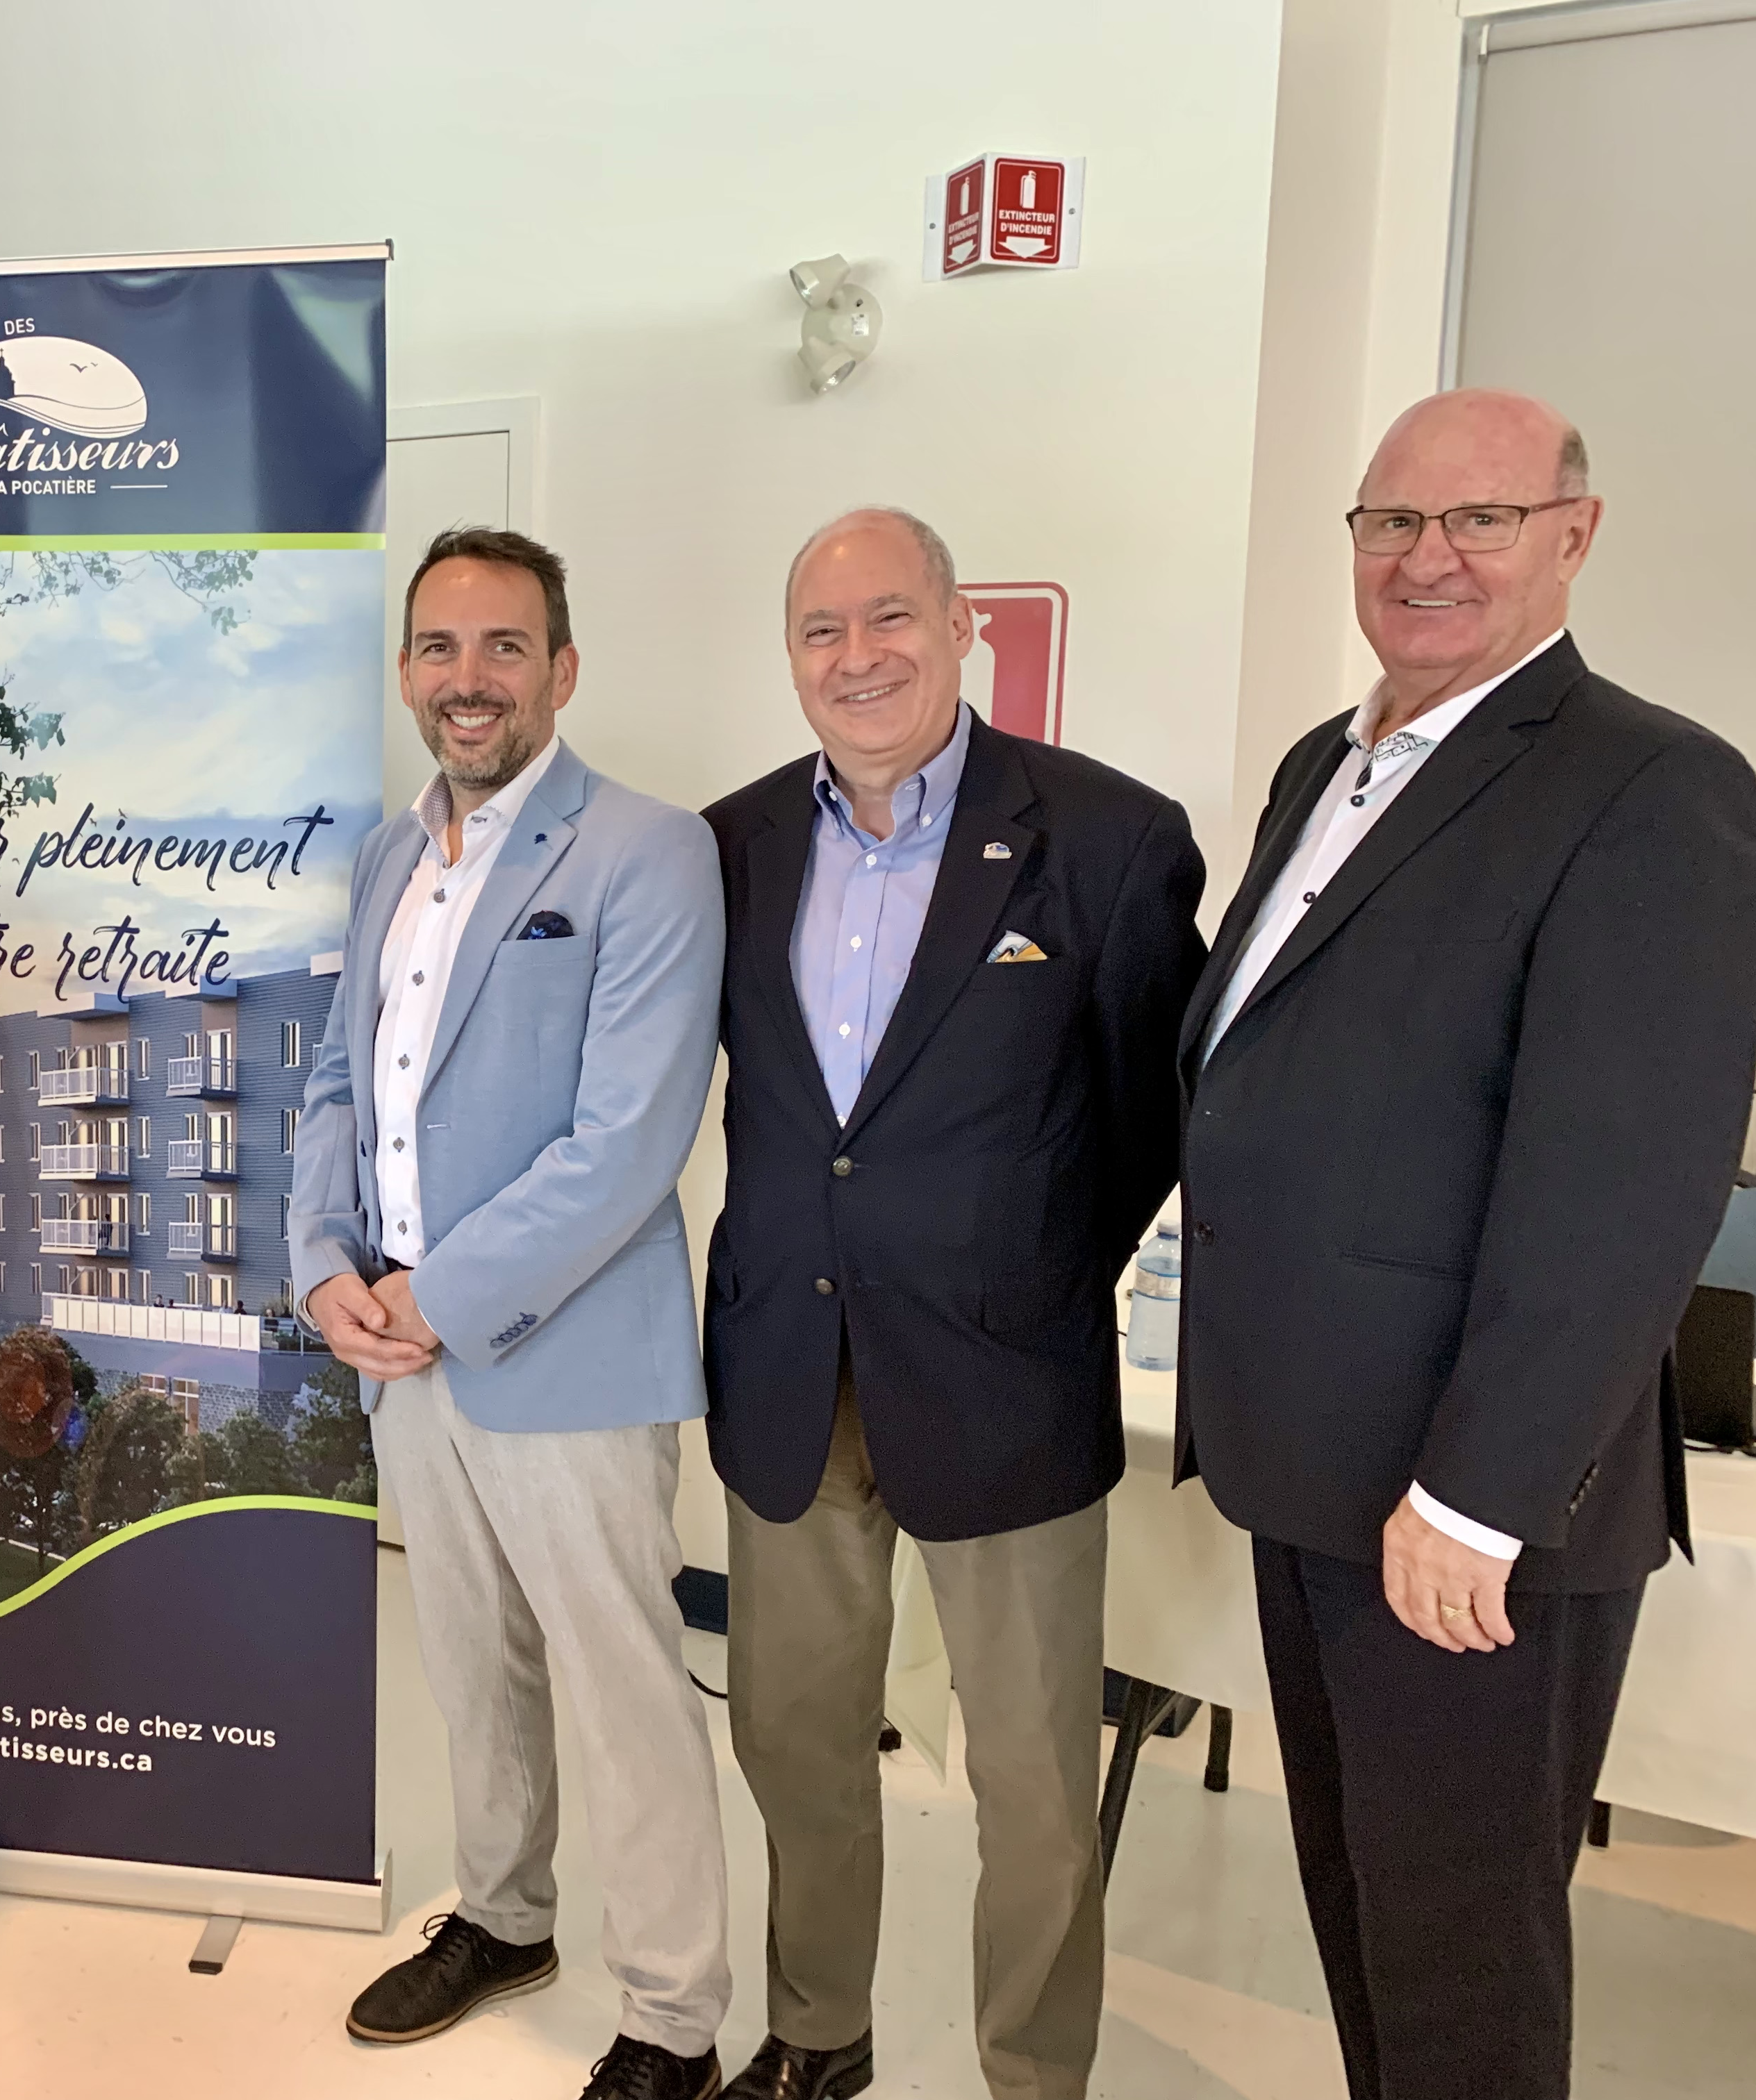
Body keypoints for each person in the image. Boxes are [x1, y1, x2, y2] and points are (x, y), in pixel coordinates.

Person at [1175, 389, 1756, 2100]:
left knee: (1462, 1968)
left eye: (1479, 520)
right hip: (1314, 1467)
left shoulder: (1652, 787)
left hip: (1460, 1510)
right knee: (1367, 1915)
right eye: (1391, 523)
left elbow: (1627, 1185)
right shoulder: (1329, 764)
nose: (1426, 558)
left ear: (1573, 536)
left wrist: (1482, 1495)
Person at [699, 511, 1206, 2100]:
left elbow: (1151, 1115)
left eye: (891, 619)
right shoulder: (732, 845)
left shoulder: (1106, 839)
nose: (858, 658)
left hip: (1004, 1376)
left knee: (1037, 1781)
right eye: (822, 631)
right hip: (791, 1365)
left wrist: (1019, 1266)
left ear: (963, 626)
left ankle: (1033, 2075)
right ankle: (817, 2033)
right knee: (793, 1738)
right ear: (791, 656)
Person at [292, 528, 731, 2100]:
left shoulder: (649, 850)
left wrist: (435, 1297)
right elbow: (339, 1082)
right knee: (472, 1664)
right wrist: (323, 1265)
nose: (466, 678)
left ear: (562, 669)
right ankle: (504, 1918)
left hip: (568, 1355)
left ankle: (674, 2019)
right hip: (400, 1353)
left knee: (625, 1692)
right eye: (439, 646)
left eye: (502, 647)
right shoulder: (388, 857)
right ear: (408, 669)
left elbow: (627, 1142)